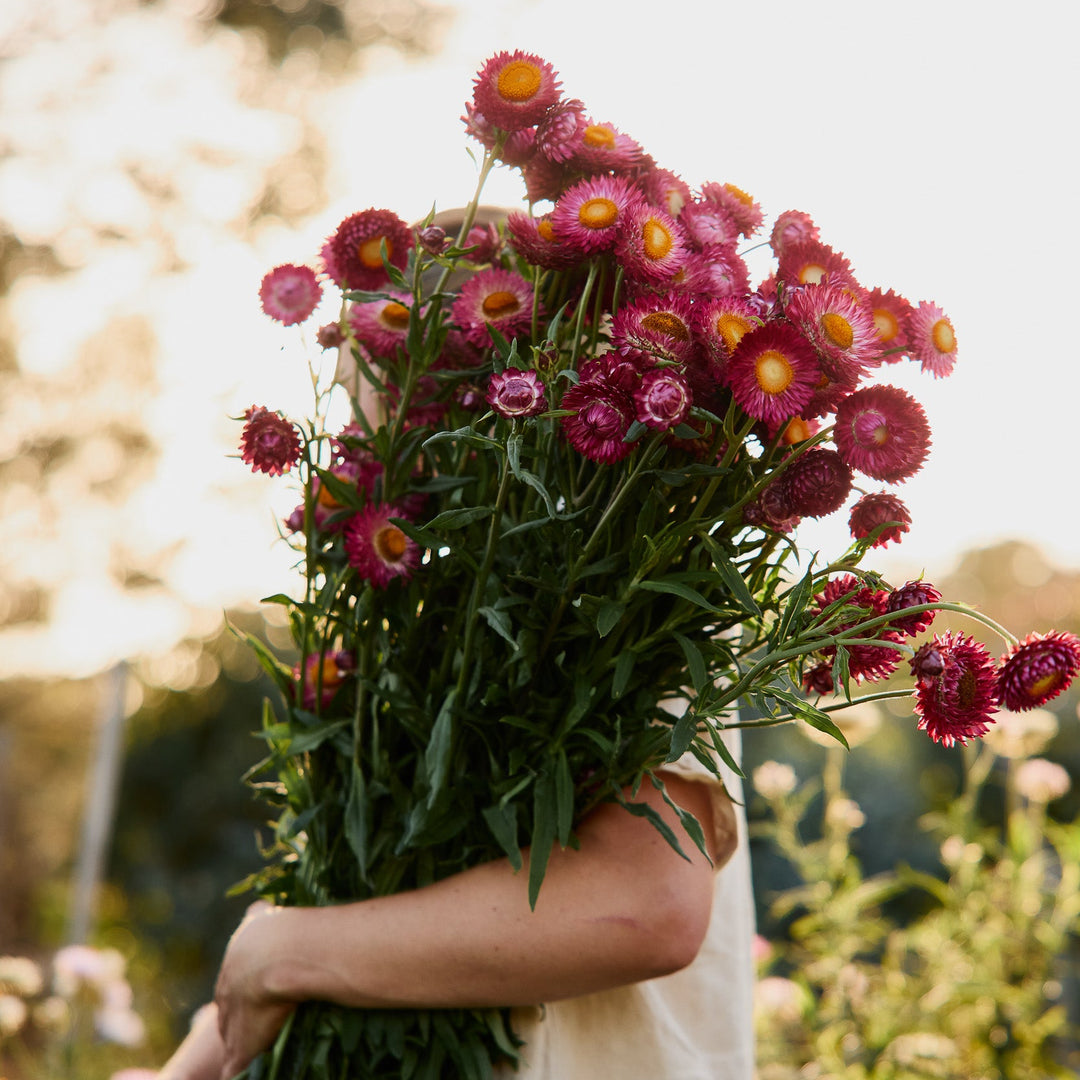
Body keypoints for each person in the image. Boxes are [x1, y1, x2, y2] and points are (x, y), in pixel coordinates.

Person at [159, 208, 756, 1079]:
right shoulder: (417, 622)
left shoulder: (634, 588)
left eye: (398, 386)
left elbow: (643, 903)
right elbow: (352, 915)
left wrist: (286, 950)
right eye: (364, 391)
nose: (367, 450)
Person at [157, 733, 754, 1080]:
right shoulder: (430, 574)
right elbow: (360, 902)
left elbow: (644, 905)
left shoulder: (633, 534)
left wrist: (282, 952)